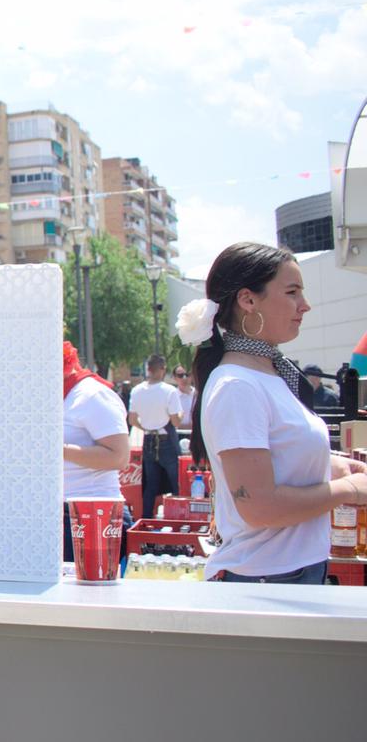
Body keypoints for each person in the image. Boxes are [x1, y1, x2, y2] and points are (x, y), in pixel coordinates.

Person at [180, 242, 367, 583]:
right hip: (267, 578)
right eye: (292, 292)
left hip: (285, 573)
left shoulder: (267, 374)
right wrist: (350, 489)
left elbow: (275, 460)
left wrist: (332, 465)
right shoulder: (238, 384)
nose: (304, 305)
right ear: (248, 300)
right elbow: (259, 507)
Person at [61, 342, 130, 562]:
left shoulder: (92, 394)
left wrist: (56, 450)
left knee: (87, 594)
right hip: (62, 511)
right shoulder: (60, 395)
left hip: (94, 514)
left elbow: (119, 457)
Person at [128, 353, 184, 520]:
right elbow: (175, 421)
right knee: (176, 483)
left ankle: (145, 519)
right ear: (162, 369)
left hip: (149, 438)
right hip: (166, 438)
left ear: (148, 369)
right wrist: (180, 414)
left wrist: (146, 427)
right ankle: (179, 519)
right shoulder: (169, 391)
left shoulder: (137, 390)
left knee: (150, 485)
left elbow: (132, 419)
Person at [173, 364, 196, 439]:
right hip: (177, 435)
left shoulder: (199, 395)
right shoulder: (171, 396)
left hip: (197, 435)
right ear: (175, 378)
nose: (184, 378)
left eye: (187, 374)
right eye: (180, 375)